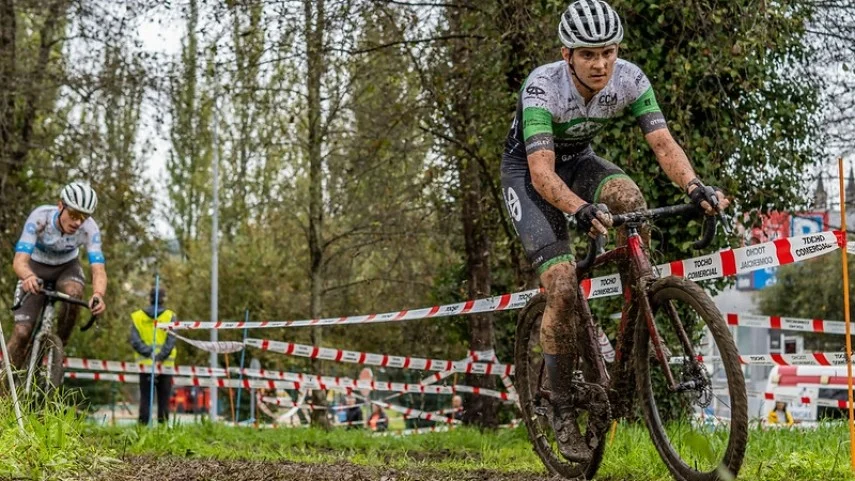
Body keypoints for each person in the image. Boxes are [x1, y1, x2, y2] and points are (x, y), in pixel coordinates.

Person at [500, 0, 729, 462]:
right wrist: (580, 209)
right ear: (568, 55)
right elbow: (544, 174)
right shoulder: (542, 87)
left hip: (580, 162)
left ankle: (636, 305)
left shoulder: (630, 78)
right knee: (562, 285)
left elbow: (663, 143)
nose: (600, 63)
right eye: (588, 54)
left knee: (631, 203)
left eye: (607, 51)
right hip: (528, 175)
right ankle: (561, 408)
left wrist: (695, 186)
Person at [7, 182, 107, 369]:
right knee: (21, 333)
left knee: (75, 292)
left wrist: (98, 295)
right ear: (61, 205)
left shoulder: (90, 229)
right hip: (35, 268)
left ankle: (57, 350)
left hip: (66, 269)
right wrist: (28, 277)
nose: (78, 222)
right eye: (74, 215)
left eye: (84, 217)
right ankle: (4, 391)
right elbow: (19, 261)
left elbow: (98, 270)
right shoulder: (40, 217)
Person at [129, 286, 178, 425]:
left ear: (149, 298)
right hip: (166, 365)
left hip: (145, 364)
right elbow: (171, 340)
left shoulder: (137, 317)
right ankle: (162, 431)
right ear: (164, 298)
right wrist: (160, 357)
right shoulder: (170, 316)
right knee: (164, 400)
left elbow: (135, 341)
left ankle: (142, 429)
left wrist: (150, 354)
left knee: (145, 399)